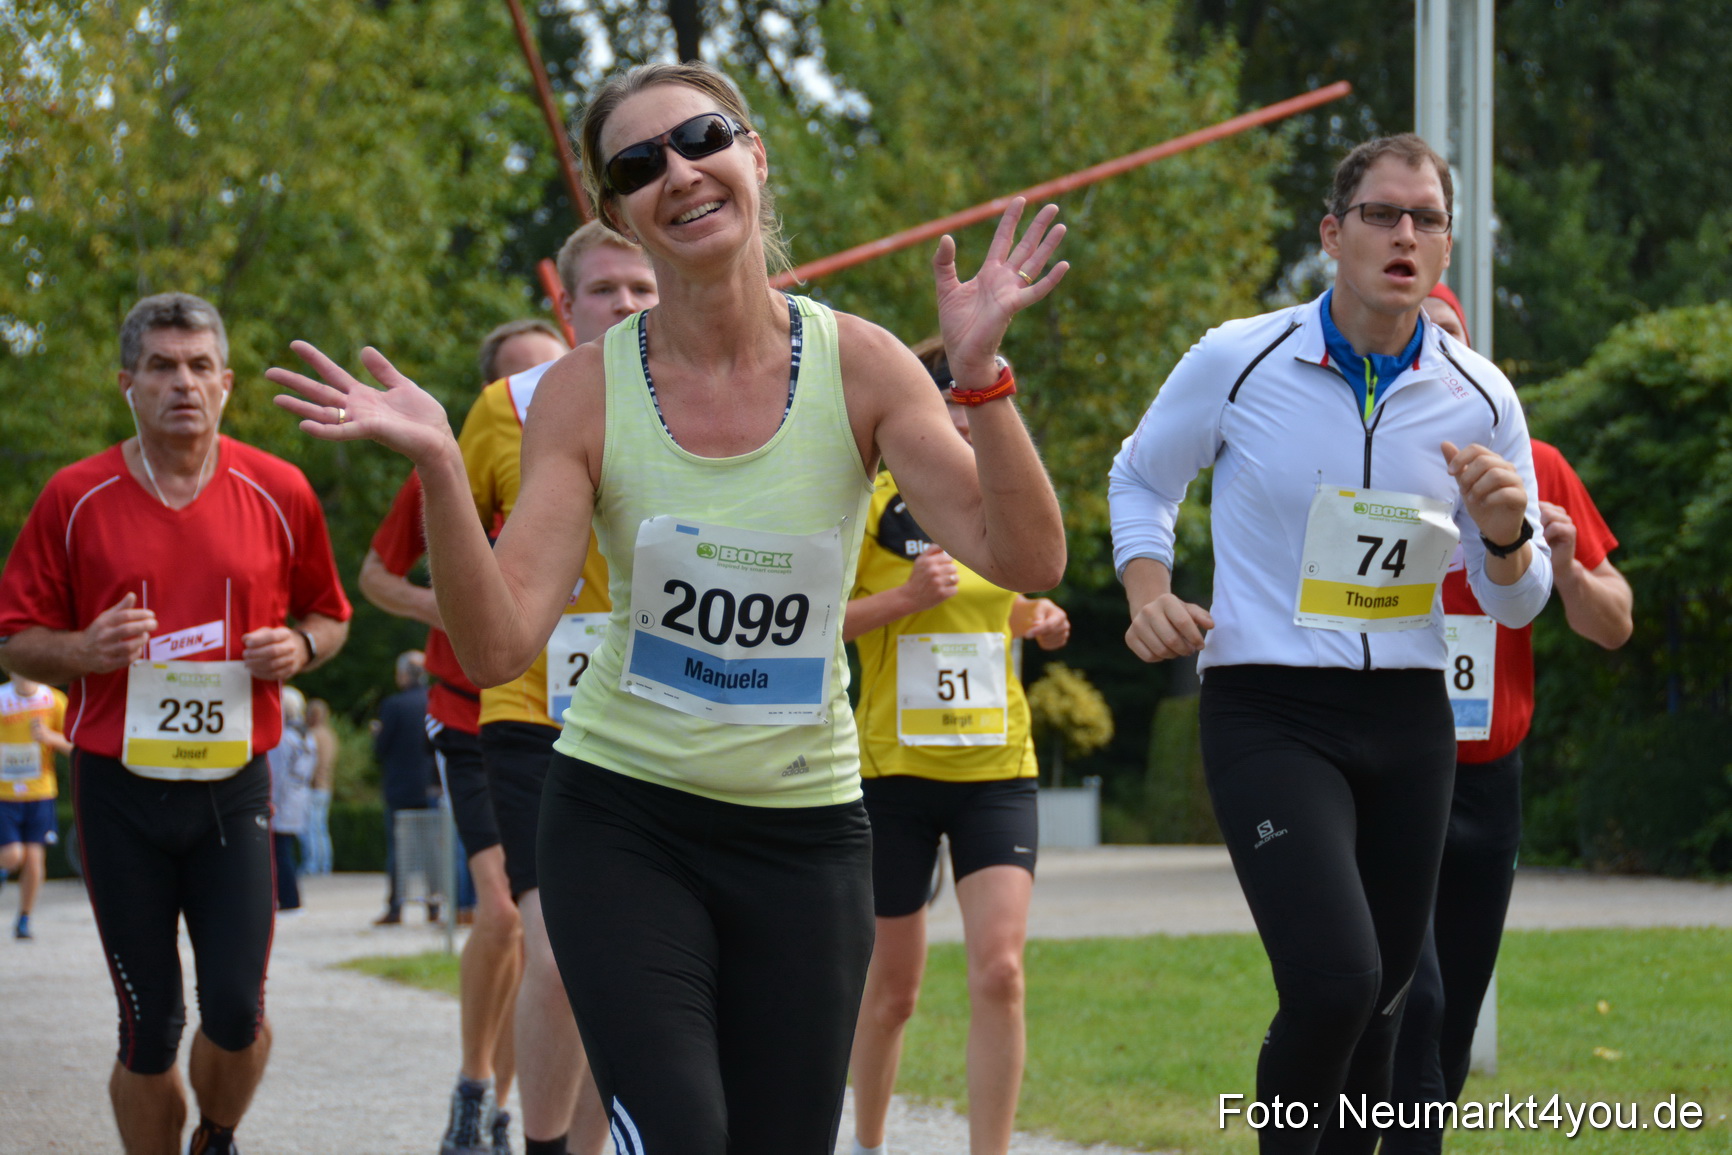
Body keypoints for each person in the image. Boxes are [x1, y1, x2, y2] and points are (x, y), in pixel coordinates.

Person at [269, 59, 1067, 1154]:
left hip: (807, 829)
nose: (679, 174)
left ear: (753, 154)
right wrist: (444, 473)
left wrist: (979, 380)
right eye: (639, 165)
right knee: (681, 1132)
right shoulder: (587, 393)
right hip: (624, 820)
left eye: (701, 139)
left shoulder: (865, 366)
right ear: (616, 214)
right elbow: (501, 636)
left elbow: (1027, 556)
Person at [1108, 135, 1551, 1155]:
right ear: (1331, 234)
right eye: (1381, 215)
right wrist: (1145, 591)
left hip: (1406, 717)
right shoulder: (1237, 356)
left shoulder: (1481, 397)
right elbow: (1141, 478)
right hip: (1268, 709)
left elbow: (1517, 602)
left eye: (1425, 220)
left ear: (1444, 247)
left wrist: (1503, 534)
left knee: (1389, 1004)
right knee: (1334, 978)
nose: (1404, 235)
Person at [0, 291, 351, 1155]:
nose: (182, 383)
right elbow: (16, 644)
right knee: (149, 1024)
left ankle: (217, 1135)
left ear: (227, 383)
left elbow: (332, 614)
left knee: (237, 1011)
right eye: (161, 366)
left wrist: (299, 649)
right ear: (128, 383)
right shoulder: (75, 496)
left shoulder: (281, 489)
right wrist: (84, 648)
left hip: (235, 789)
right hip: (120, 791)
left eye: (199, 366)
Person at [1382, 286, 1632, 1153]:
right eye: (1421, 339)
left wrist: (1563, 564)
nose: (1436, 355)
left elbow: (1614, 623)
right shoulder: (1367, 457)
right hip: (1381, 763)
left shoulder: (1538, 464)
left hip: (1488, 777)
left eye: (1450, 338)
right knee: (1418, 1005)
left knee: (1445, 1039)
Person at [846, 341, 1071, 1155]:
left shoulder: (999, 498)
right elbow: (812, 622)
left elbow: (989, 609)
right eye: (955, 401)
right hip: (892, 773)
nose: (969, 419)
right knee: (891, 993)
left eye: (981, 404)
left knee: (1001, 971)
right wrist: (902, 597)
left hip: (994, 770)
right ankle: (868, 1142)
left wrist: (1033, 619)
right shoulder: (866, 498)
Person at [359, 313, 572, 1155]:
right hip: (473, 708)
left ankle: (507, 1103)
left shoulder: (601, 444)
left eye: (553, 374)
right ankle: (473, 1080)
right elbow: (376, 575)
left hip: (582, 707)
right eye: (522, 380)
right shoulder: (461, 456)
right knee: (504, 911)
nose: (540, 393)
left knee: (555, 931)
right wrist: (453, 602)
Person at [0, 674, 70, 939]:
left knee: (34, 858)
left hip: (40, 792)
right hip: (4, 793)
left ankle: (24, 919)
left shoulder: (54, 700)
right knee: (12, 856)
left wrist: (50, 737)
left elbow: (74, 747)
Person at [374, 650, 439, 925]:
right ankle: (434, 906)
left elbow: (380, 750)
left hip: (400, 787)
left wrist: (377, 735)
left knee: (398, 850)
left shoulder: (393, 705)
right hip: (431, 787)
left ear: (403, 674)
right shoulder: (433, 701)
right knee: (431, 850)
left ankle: (396, 907)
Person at [267, 686, 315, 914]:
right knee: (285, 850)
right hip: (299, 795)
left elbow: (277, 774)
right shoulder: (306, 736)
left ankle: (288, 898)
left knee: (280, 853)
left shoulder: (284, 739)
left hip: (284, 800)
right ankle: (289, 897)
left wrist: (270, 802)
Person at [299, 698, 338, 876]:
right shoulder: (330, 735)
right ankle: (325, 864)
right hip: (326, 786)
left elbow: (309, 764)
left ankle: (312, 864)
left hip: (314, 786)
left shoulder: (312, 735)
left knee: (311, 828)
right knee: (321, 828)